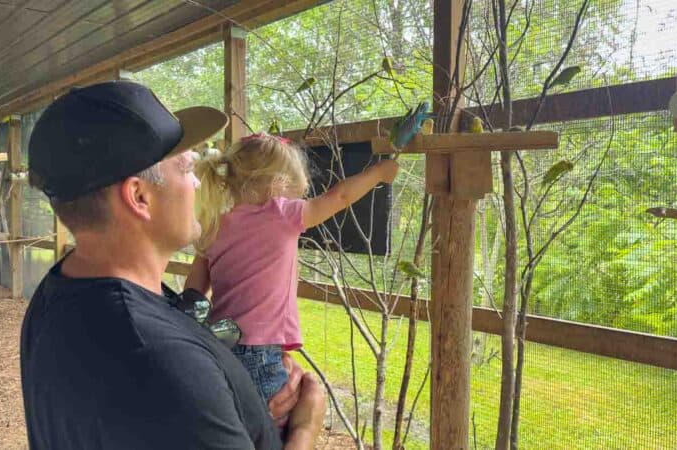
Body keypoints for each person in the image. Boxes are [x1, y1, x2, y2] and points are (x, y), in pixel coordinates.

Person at [20, 80, 325, 449]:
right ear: (139, 196)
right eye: (184, 168)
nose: (197, 182)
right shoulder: (158, 357)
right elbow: (173, 381)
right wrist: (306, 426)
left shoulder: (59, 296)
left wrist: (243, 383)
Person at [184, 133, 398, 413]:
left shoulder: (213, 224)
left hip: (221, 344)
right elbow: (341, 196)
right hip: (258, 352)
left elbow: (193, 294)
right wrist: (378, 173)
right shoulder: (282, 214)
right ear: (276, 183)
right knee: (272, 427)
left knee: (236, 420)